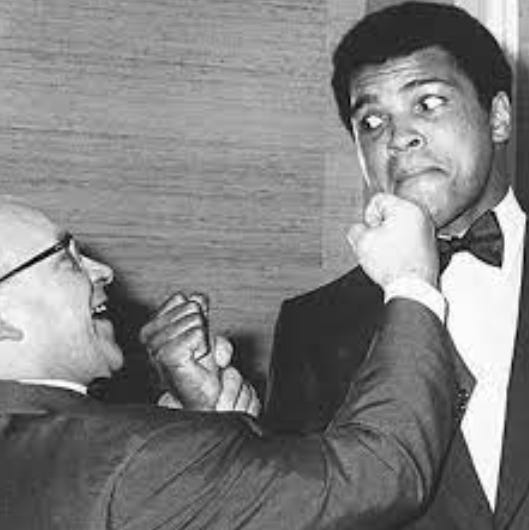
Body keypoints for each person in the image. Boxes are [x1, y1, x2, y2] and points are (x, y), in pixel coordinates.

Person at [0, 194, 470, 529]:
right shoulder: (136, 461)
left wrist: (207, 429)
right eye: (66, 258)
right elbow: (380, 470)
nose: (103, 270)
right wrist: (411, 280)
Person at [264, 2, 527, 528]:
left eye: (428, 103)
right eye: (372, 121)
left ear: (497, 116)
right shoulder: (312, 328)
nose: (397, 137)